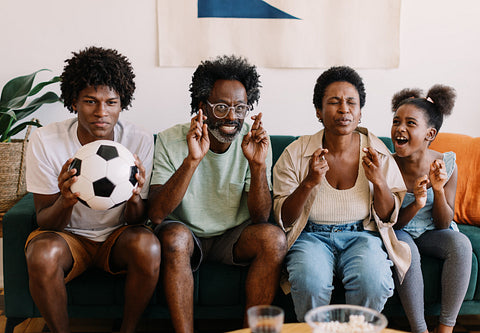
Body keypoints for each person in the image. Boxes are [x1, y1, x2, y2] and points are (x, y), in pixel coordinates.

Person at [24, 46, 161, 333]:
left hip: (117, 236)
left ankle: (128, 329)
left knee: (148, 246)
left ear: (122, 104)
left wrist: (135, 196)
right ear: (73, 102)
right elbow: (43, 219)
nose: (102, 112)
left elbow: (138, 220)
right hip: (68, 237)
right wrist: (65, 200)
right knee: (41, 253)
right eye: (90, 101)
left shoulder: (138, 139)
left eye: (111, 102)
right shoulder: (45, 140)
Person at [148, 54, 287, 332]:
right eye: (221, 107)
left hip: (233, 237)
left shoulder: (254, 139)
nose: (232, 117)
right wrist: (192, 161)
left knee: (274, 239)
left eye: (240, 108)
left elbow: (261, 217)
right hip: (185, 233)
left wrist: (258, 165)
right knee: (174, 238)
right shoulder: (170, 139)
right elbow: (156, 213)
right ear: (202, 106)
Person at [273, 66, 410, 322]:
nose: (344, 109)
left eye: (351, 103)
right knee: (309, 280)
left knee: (375, 281)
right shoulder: (295, 153)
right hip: (311, 237)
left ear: (359, 113)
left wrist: (379, 182)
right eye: (334, 102)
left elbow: (388, 217)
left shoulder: (377, 152)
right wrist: (309, 182)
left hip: (362, 236)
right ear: (318, 111)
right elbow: (285, 219)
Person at [390, 85, 472, 333]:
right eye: (396, 121)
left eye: (410, 123)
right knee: (406, 249)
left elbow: (444, 224)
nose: (400, 128)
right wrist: (417, 201)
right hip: (400, 227)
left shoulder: (446, 164)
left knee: (461, 245)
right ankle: (420, 329)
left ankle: (445, 328)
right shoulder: (387, 164)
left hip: (432, 231)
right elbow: (392, 223)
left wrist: (437, 190)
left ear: (429, 133)